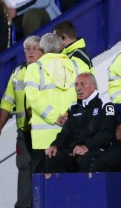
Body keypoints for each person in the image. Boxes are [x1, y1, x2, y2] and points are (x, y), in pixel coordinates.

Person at [0, 35, 42, 208]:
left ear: (43, 51)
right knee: (23, 168)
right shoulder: (18, 72)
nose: (30, 51)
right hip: (24, 131)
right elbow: (7, 101)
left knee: (40, 170)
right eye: (27, 48)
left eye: (34, 48)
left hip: (43, 131)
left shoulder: (46, 71)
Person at [23, 33, 81, 174]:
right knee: (68, 182)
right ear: (61, 46)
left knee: (43, 184)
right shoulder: (75, 65)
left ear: (42, 47)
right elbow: (82, 94)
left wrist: (55, 117)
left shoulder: (34, 68)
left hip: (43, 138)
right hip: (70, 135)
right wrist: (68, 116)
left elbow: (33, 98)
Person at [45, 73, 117, 172]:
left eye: (83, 84)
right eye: (76, 85)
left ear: (93, 86)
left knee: (86, 159)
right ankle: (62, 187)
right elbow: (66, 133)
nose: (78, 88)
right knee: (53, 156)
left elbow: (106, 133)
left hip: (98, 149)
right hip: (77, 150)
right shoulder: (74, 107)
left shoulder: (105, 104)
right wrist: (55, 145)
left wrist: (86, 147)